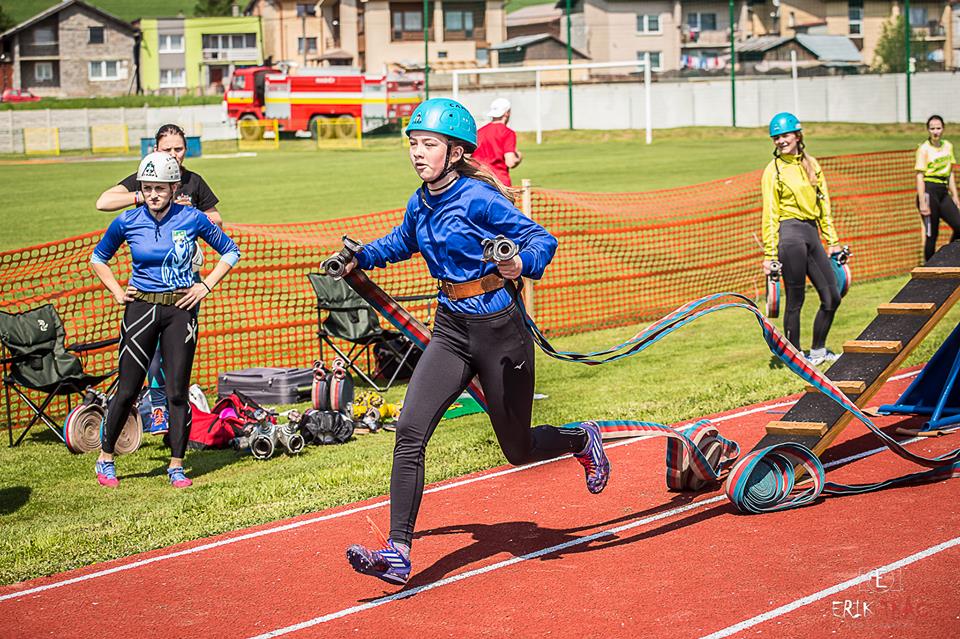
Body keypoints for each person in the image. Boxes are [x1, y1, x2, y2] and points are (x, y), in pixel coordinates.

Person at [340, 98, 610, 586]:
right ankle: (398, 551)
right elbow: (402, 241)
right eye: (413, 143)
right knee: (409, 431)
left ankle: (580, 438)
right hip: (451, 330)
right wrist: (363, 256)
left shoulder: (478, 199)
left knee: (518, 450)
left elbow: (541, 239)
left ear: (456, 152)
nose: (417, 153)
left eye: (429, 144)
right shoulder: (420, 201)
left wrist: (520, 263)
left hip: (501, 333)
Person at [90, 152, 240, 488]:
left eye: (160, 188)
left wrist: (205, 285)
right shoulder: (127, 221)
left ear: (174, 187)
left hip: (180, 311)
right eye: (147, 188)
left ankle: (176, 465)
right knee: (127, 389)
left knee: (176, 392)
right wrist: (117, 291)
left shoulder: (192, 218)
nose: (153, 194)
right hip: (140, 310)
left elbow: (231, 251)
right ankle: (106, 458)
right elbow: (98, 258)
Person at [96, 124, 223, 436]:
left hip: (184, 283)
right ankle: (155, 407)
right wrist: (143, 196)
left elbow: (217, 220)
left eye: (179, 149)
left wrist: (191, 216)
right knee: (149, 352)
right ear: (155, 150)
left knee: (175, 352)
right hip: (147, 286)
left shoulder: (193, 181)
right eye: (168, 149)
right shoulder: (148, 178)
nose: (174, 154)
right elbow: (103, 202)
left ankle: (174, 405)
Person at [761, 112, 843, 367]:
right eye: (776, 137)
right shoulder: (773, 170)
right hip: (790, 236)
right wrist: (769, 256)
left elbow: (823, 205)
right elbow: (770, 214)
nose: (780, 141)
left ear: (797, 135)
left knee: (832, 296)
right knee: (795, 300)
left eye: (785, 135)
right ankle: (795, 358)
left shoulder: (812, 164)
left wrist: (833, 241)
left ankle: (818, 351)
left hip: (812, 233)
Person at [915, 115, 960, 261]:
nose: (935, 131)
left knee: (958, 225)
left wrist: (955, 196)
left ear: (943, 129)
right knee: (932, 234)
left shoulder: (948, 146)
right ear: (928, 130)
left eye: (938, 128)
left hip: (943, 191)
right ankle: (929, 267)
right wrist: (922, 202)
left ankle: (947, 256)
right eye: (932, 128)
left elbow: (950, 173)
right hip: (929, 190)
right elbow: (920, 176)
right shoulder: (924, 149)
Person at [471, 97, 522, 187]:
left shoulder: (479, 132)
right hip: (499, 182)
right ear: (506, 113)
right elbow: (510, 162)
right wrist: (519, 157)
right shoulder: (507, 133)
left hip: (478, 180)